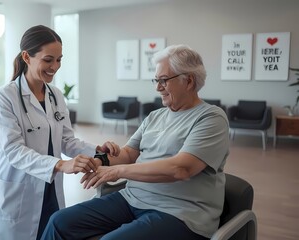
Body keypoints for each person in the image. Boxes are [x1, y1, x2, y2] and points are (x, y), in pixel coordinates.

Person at [41, 44, 230, 240]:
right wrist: (99, 161)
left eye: (163, 80)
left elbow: (181, 168)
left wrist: (117, 171)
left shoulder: (211, 118)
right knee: (59, 222)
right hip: (133, 198)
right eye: (156, 80)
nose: (158, 87)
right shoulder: (155, 116)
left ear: (189, 81)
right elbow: (129, 153)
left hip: (180, 212)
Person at [0, 25, 120, 240]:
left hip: (49, 187)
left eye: (59, 59)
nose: (55, 66)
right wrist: (60, 164)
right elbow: (13, 150)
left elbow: (66, 140)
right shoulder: (5, 97)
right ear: (27, 56)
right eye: (48, 59)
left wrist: (98, 151)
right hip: (17, 186)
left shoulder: (55, 95)